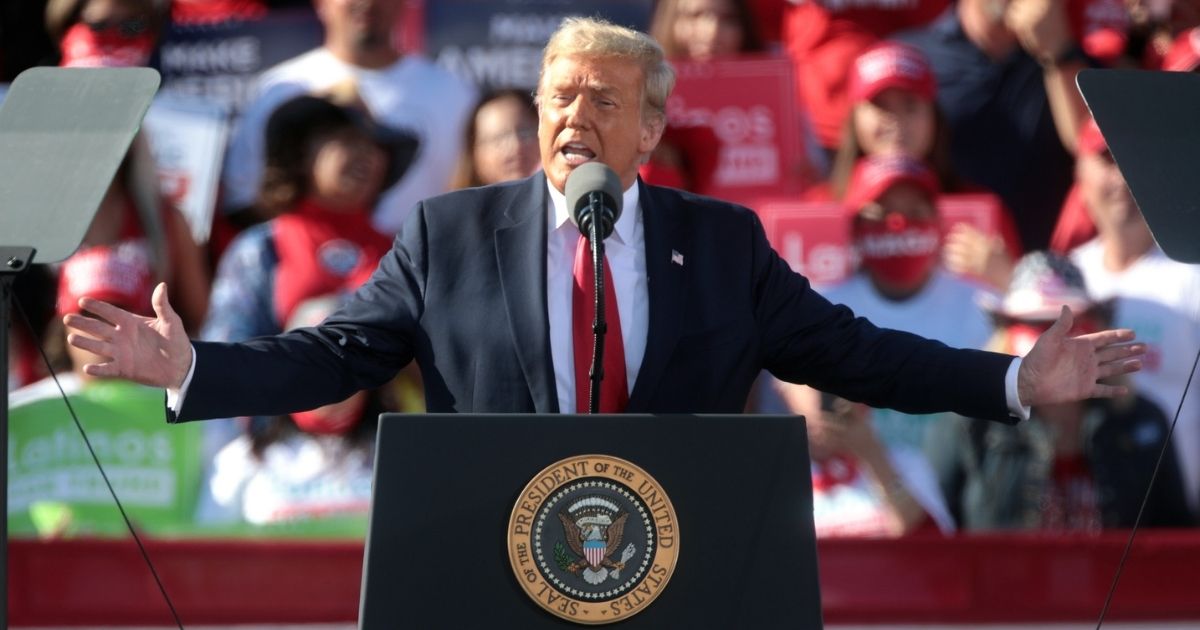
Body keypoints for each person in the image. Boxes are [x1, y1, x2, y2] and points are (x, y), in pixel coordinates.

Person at [64, 18, 1143, 437]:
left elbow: (858, 354)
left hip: (686, 569)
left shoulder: (720, 244)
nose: (571, 116)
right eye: (555, 98)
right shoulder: (449, 235)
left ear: (654, 127)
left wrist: (1008, 381)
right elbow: (331, 357)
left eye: (600, 101)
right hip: (493, 565)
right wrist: (196, 368)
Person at [929, 251, 1194, 530]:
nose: (1054, 343)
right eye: (1037, 325)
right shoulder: (967, 425)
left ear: (1099, 328)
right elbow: (938, 537)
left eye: (1070, 324)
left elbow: (1174, 537)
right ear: (1005, 333)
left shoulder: (1143, 421)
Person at [775, 156, 993, 456]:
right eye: (882, 212)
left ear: (938, 222)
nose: (898, 224)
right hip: (855, 492)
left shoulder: (983, 305)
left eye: (915, 211)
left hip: (954, 491)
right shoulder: (819, 306)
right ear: (855, 227)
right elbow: (804, 407)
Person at [220, 0, 477, 234]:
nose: (367, 3)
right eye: (343, 139)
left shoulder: (454, 91)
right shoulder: (280, 88)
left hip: (427, 276)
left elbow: (476, 201)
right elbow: (244, 203)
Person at [1067, 119, 1200, 516]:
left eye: (1133, 160)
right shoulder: (1066, 276)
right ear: (1080, 172)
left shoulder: (1192, 274)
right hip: (1083, 524)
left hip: (1179, 529)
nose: (1122, 176)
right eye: (1107, 159)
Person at [896, 0, 1091, 252]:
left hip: (1050, 268)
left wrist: (1058, 52)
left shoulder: (1073, 62)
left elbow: (1091, 148)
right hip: (944, 267)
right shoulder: (913, 56)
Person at [448, 89, 541, 190]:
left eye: (525, 133)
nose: (516, 145)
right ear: (474, 153)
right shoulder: (458, 205)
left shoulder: (558, 202)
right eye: (500, 138)